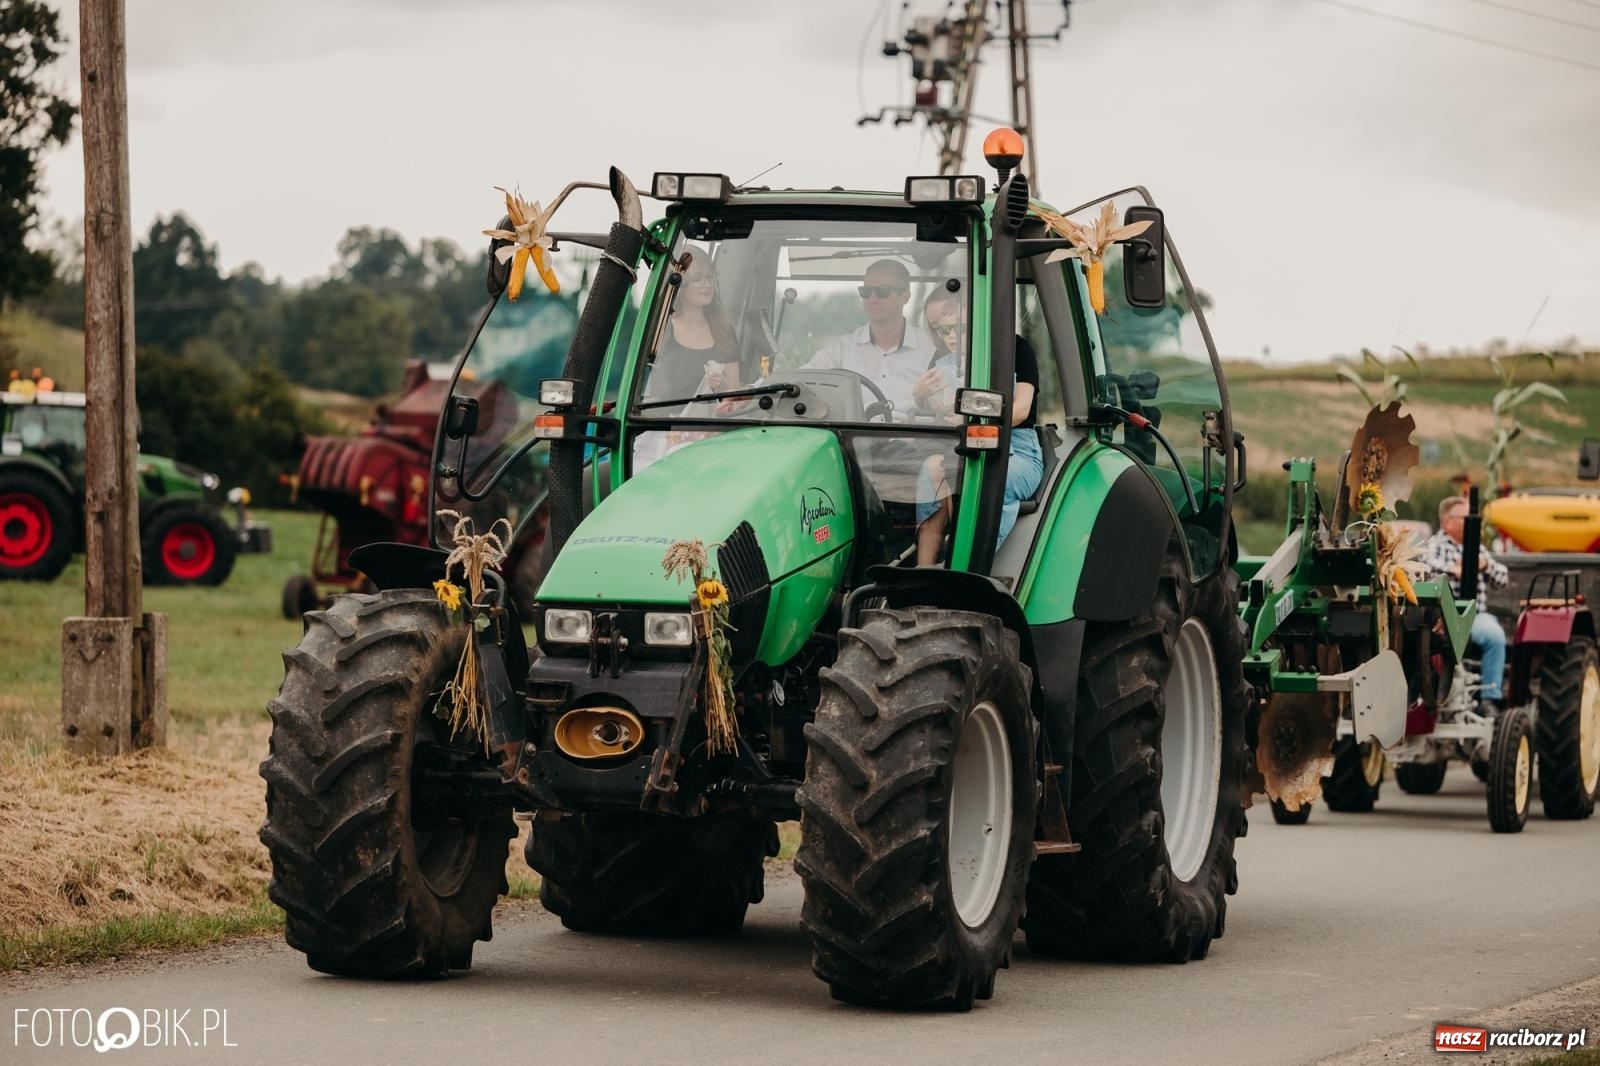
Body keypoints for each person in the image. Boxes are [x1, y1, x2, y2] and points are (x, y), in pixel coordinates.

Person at [913, 289, 1043, 565]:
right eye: (944, 329)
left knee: (987, 481)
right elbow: (937, 408)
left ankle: (966, 567)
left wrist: (969, 417)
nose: (950, 335)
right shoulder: (940, 361)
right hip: (963, 446)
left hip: (1016, 448)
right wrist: (921, 395)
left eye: (959, 328)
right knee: (929, 469)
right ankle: (923, 570)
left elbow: (1020, 411)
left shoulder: (1016, 350)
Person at [801, 259, 935, 416]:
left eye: (882, 291)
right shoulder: (840, 350)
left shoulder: (931, 350)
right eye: (866, 292)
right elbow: (799, 382)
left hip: (917, 438)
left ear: (905, 297)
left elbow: (951, 403)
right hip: (850, 438)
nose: (872, 299)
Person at [1422, 495, 1510, 712]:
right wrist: (1453, 569)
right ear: (1447, 521)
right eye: (1463, 518)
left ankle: (1490, 697)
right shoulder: (1435, 546)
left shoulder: (1477, 549)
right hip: (1444, 616)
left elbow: (1503, 578)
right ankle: (1429, 695)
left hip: (1475, 615)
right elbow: (1426, 567)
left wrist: (1485, 565)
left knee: (1495, 636)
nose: (1469, 523)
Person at [643, 248, 739, 405]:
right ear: (678, 282)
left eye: (710, 277)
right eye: (697, 279)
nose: (707, 284)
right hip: (665, 426)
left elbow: (735, 393)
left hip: (710, 426)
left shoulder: (725, 331)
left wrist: (722, 385)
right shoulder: (661, 330)